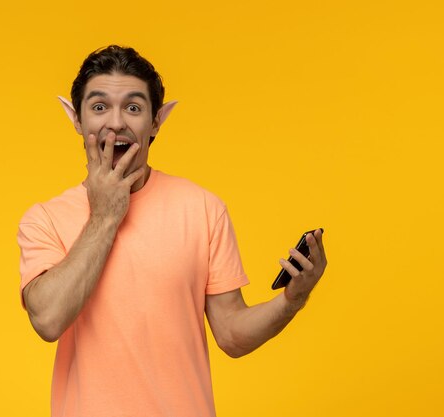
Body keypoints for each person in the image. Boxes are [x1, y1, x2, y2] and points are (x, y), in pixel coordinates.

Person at [17, 45, 327, 417]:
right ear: (77, 119)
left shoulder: (202, 209)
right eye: (99, 107)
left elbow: (231, 335)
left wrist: (292, 300)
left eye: (133, 108)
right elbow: (48, 319)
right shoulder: (44, 219)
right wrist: (105, 216)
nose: (115, 122)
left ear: (156, 122)